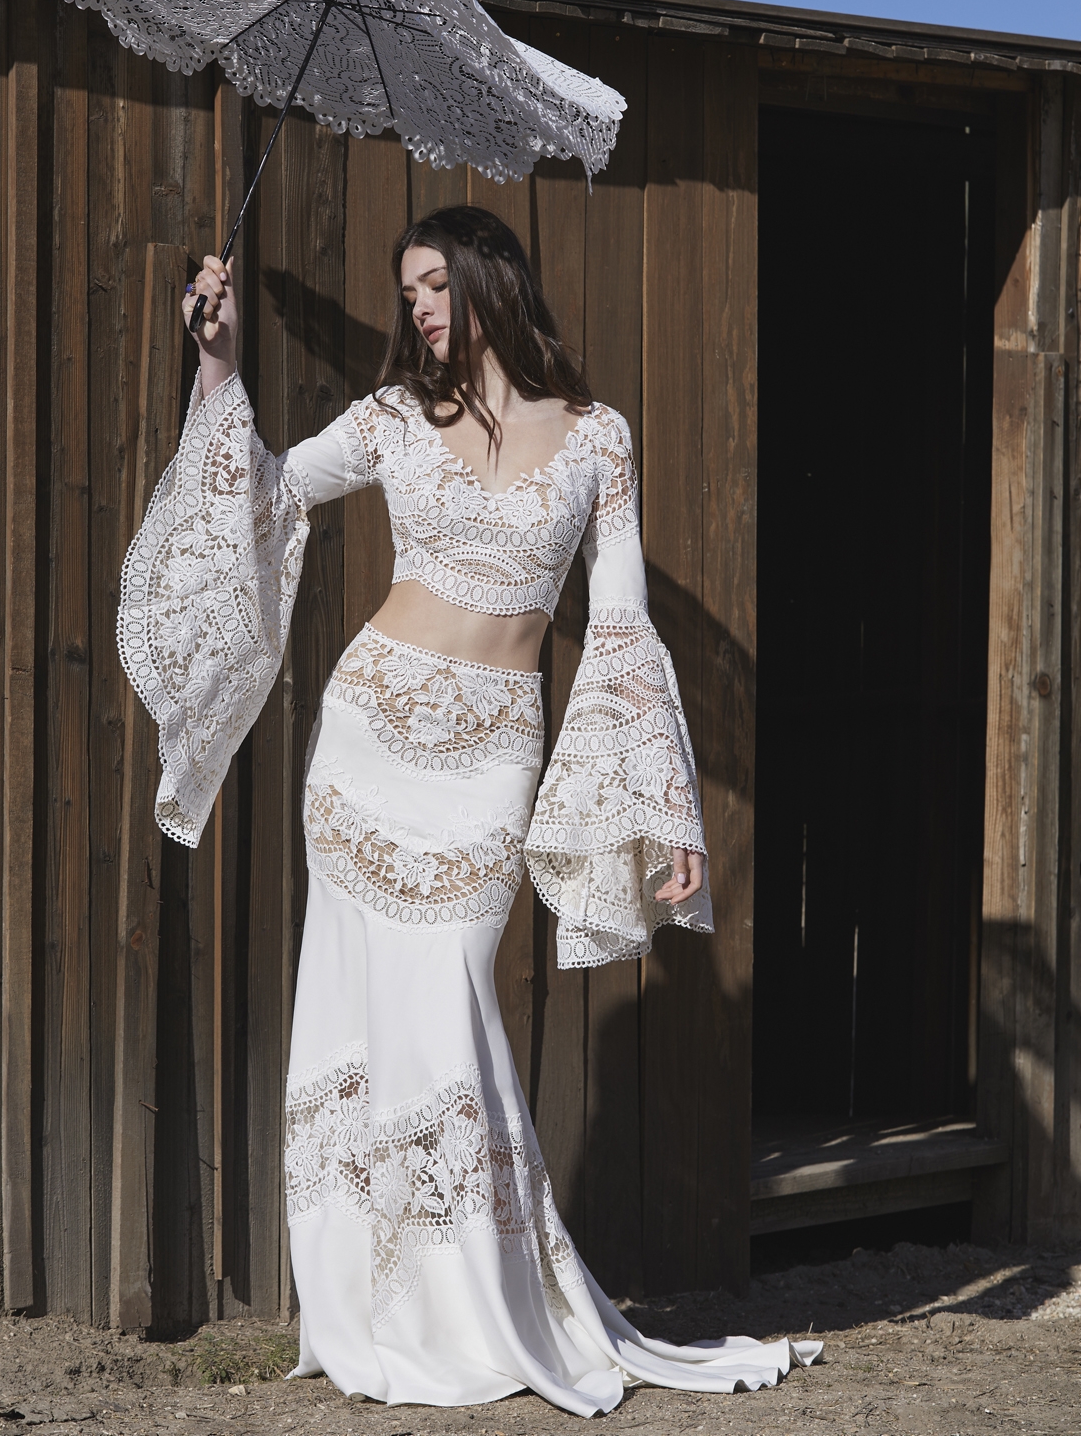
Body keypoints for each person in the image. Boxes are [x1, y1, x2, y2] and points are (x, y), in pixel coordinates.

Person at [118, 205, 819, 1413]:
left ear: (495, 277)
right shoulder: (394, 417)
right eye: (410, 295)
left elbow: (620, 622)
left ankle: (470, 1300)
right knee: (360, 1025)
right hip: (366, 746)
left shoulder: (599, 438)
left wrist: (666, 810)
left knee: (449, 997)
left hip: (492, 757)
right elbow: (269, 497)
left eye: (437, 284)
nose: (423, 310)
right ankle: (377, 1306)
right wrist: (219, 363)